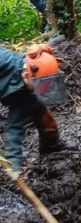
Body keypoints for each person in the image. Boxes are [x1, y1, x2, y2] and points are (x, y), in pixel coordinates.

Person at [0, 44, 70, 175]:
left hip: (19, 88)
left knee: (38, 106)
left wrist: (13, 163)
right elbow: (14, 128)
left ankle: (51, 144)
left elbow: (14, 126)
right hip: (11, 87)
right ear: (27, 75)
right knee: (27, 105)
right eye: (40, 85)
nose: (42, 89)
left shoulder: (30, 83)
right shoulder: (3, 60)